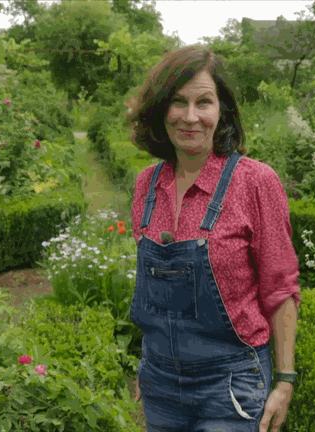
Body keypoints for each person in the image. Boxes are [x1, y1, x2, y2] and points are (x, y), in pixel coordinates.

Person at [123, 45, 301, 432]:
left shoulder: (255, 182)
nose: (190, 117)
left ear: (222, 111)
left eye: (204, 102)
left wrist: (285, 380)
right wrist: (148, 361)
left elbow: (280, 287)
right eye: (178, 102)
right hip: (160, 386)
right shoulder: (146, 186)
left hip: (231, 386)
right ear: (160, 110)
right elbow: (154, 295)